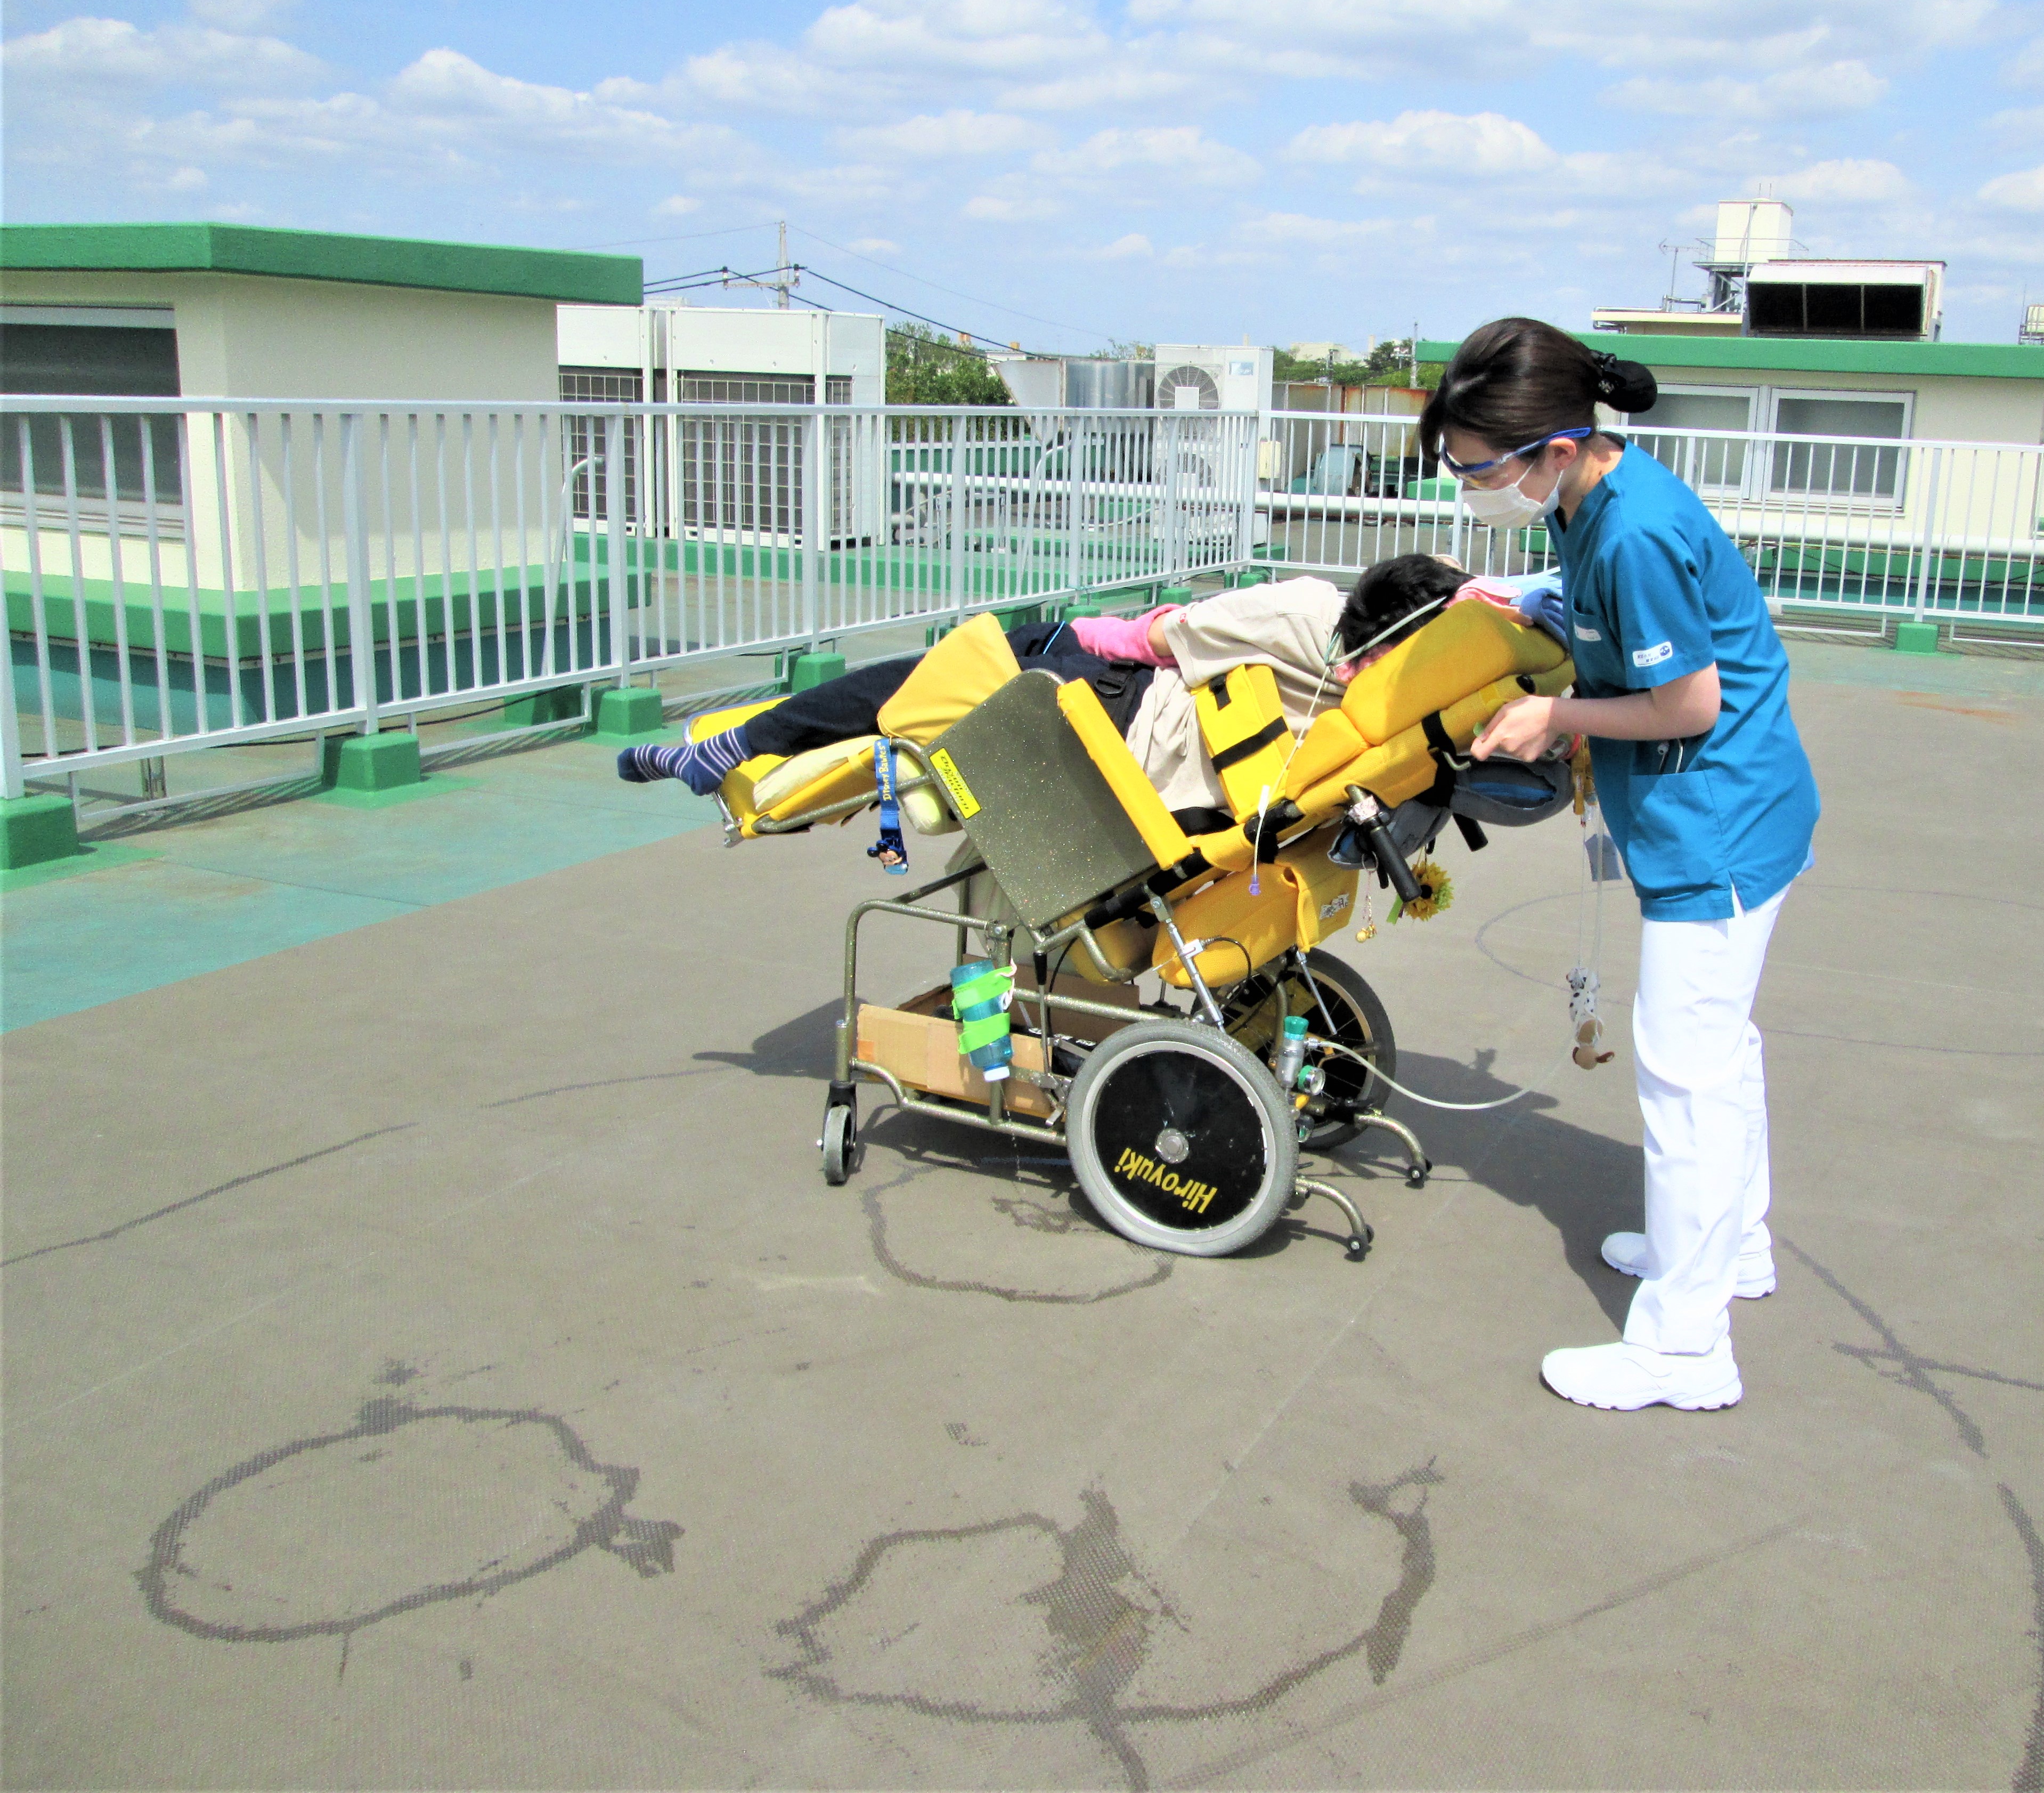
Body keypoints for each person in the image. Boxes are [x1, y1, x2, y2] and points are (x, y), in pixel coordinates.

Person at [1421, 317, 1819, 1414]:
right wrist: (1532, 603)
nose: (1466, 486)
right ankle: (1734, 1249)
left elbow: (1690, 699)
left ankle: (1688, 1350)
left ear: (1553, 445)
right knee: (1721, 1057)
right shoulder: (1598, 496)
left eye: (1477, 468)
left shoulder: (1629, 529)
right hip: (1744, 815)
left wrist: (1555, 713)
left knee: (1683, 1081)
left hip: (1717, 829)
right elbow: (1620, 613)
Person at [618, 560, 1482, 815]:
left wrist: (1080, 629)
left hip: (1119, 708)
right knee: (990, 647)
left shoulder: (1309, 618)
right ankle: (738, 741)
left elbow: (1161, 637)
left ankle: (732, 748)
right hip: (1162, 725)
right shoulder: (1410, 695)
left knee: (926, 681)